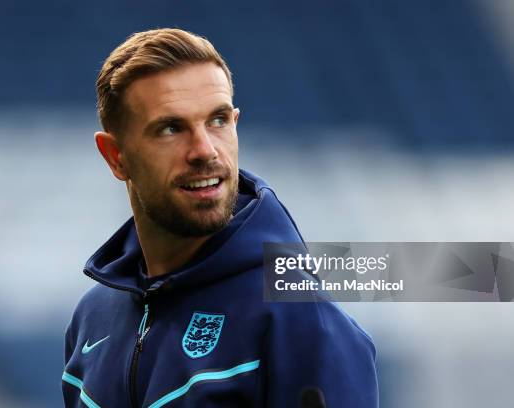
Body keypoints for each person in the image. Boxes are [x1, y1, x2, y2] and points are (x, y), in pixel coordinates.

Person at [62, 28, 378, 408]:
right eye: (170, 128)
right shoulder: (91, 319)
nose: (204, 150)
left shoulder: (298, 318)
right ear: (116, 156)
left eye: (218, 121)